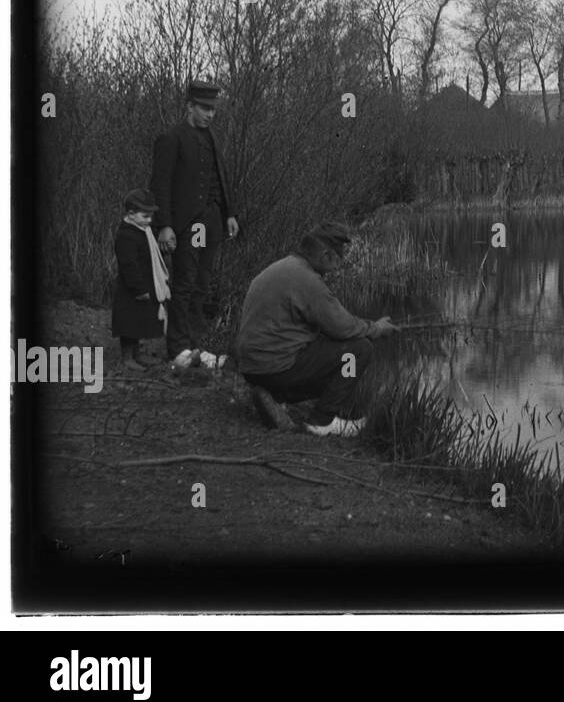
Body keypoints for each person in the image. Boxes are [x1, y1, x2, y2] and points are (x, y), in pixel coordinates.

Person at [235, 222, 398, 437]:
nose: (339, 263)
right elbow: (343, 327)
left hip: (252, 369)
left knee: (329, 350)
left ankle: (274, 396)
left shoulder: (284, 267)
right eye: (337, 257)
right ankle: (322, 421)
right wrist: (377, 328)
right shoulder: (307, 280)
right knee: (358, 351)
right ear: (325, 255)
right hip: (276, 369)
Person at [149, 79, 239, 360]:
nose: (210, 114)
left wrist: (230, 214)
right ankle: (177, 348)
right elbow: (160, 184)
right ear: (190, 106)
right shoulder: (171, 138)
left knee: (202, 283)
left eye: (213, 109)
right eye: (204, 108)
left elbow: (221, 179)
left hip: (212, 221)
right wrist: (164, 225)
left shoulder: (213, 138)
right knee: (184, 283)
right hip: (188, 223)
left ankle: (194, 342)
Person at [111, 188, 170, 370]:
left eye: (151, 216)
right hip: (131, 290)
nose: (150, 220)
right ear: (131, 214)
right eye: (145, 216)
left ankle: (137, 353)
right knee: (129, 324)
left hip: (145, 284)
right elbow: (129, 265)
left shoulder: (144, 231)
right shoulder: (126, 235)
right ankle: (127, 357)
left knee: (138, 323)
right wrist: (138, 288)